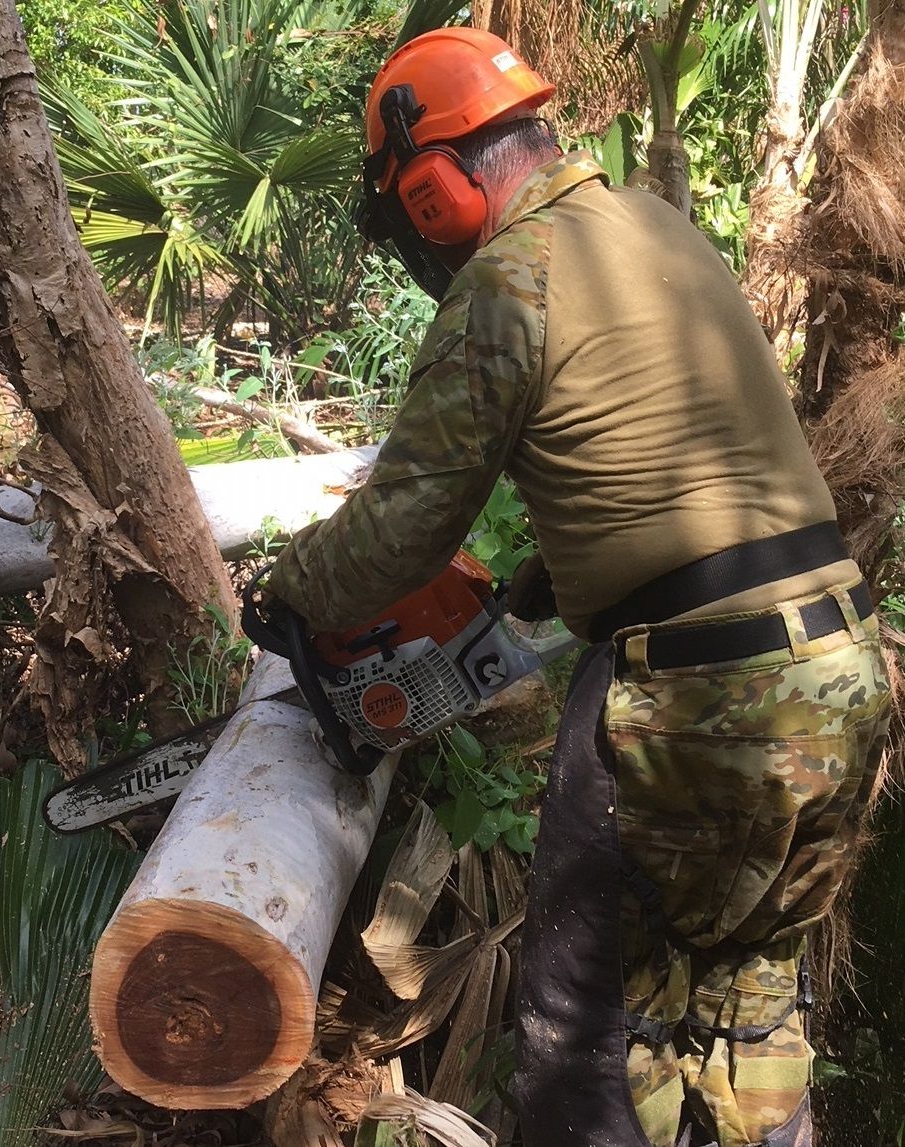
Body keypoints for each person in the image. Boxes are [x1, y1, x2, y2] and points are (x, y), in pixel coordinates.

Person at [265, 26, 891, 1147]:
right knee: (746, 1023)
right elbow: (684, 448)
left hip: (697, 705)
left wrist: (288, 592)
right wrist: (552, 575)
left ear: (432, 189)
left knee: (584, 1030)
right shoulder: (656, 229)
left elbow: (398, 535)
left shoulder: (514, 274)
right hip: (836, 671)